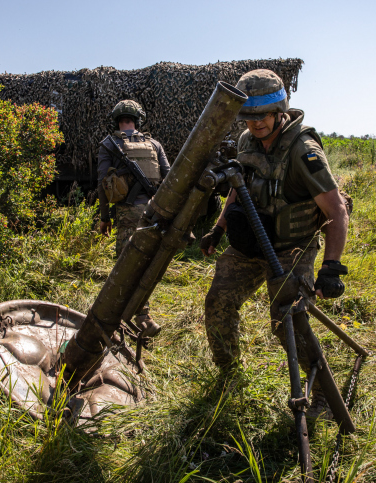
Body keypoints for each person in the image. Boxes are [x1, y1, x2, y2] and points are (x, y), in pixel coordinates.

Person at [199, 70, 349, 419]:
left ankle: (325, 399)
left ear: (280, 109)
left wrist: (332, 268)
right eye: (247, 117)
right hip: (251, 242)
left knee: (289, 321)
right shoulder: (246, 142)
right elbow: (239, 188)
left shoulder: (303, 149)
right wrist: (219, 228)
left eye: (262, 116)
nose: (255, 125)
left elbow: (336, 208)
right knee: (218, 302)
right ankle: (228, 375)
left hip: (291, 248)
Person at [97, 99, 170, 337]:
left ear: (117, 120)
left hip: (128, 213)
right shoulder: (154, 144)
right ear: (138, 120)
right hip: (155, 211)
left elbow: (103, 185)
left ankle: (126, 316)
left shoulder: (108, 144)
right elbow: (169, 177)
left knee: (125, 265)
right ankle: (142, 314)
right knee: (148, 264)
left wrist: (105, 218)